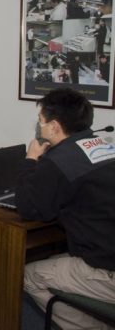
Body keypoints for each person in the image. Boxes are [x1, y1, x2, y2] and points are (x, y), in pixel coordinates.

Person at [16, 88, 115, 330]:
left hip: (108, 269)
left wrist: (31, 160)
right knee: (53, 258)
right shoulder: (104, 146)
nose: (39, 126)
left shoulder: (60, 160)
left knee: (30, 275)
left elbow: (30, 208)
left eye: (41, 120)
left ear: (54, 127)